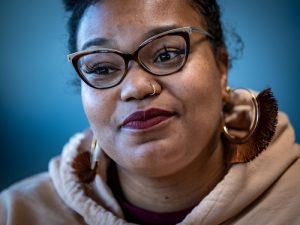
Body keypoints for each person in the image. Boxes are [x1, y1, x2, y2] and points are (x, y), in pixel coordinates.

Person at [1, 0, 299, 224]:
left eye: (167, 54)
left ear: (221, 68)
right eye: (102, 67)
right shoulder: (15, 213)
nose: (137, 88)